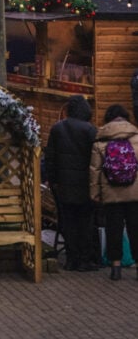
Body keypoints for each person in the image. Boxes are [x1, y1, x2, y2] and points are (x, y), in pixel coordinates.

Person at [45, 95, 98, 272]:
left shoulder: (57, 128)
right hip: (85, 184)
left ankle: (70, 258)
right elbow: (95, 159)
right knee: (85, 222)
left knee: (68, 222)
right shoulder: (90, 130)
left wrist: (52, 180)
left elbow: (50, 157)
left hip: (64, 184)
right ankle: (84, 259)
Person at [90, 103, 138, 280]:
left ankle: (115, 268)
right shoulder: (136, 138)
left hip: (111, 193)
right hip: (135, 194)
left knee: (113, 230)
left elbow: (95, 170)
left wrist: (94, 193)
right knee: (136, 229)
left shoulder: (101, 141)